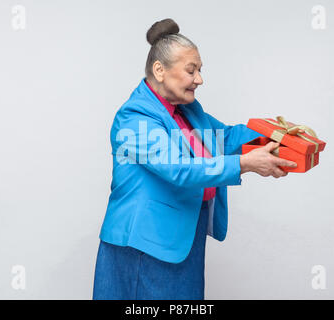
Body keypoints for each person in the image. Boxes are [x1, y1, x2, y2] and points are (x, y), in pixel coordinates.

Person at [92, 18, 297, 300]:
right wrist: (245, 164)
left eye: (199, 70)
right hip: (145, 244)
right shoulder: (133, 119)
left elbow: (224, 138)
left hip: (185, 236)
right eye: (191, 70)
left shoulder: (187, 110)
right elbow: (179, 169)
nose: (199, 79)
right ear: (160, 70)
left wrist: (274, 131)